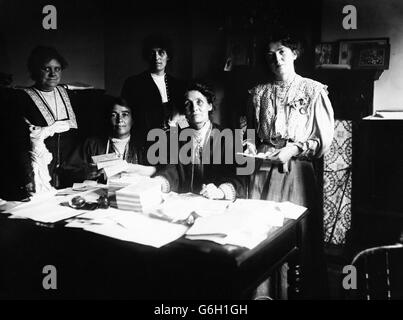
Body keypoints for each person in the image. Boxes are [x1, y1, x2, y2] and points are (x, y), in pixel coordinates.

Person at [244, 32, 334, 298]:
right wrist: (249, 145)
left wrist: (293, 149)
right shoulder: (258, 93)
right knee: (263, 237)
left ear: (294, 53)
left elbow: (322, 139)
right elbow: (249, 132)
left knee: (296, 237)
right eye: (271, 54)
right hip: (262, 171)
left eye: (282, 51)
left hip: (296, 171)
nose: (277, 58)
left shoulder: (313, 90)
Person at [154, 82, 244, 200]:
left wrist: (220, 191)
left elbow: (239, 177)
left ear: (210, 106)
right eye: (188, 104)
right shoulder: (178, 138)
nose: (194, 108)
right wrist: (159, 183)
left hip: (217, 202)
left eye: (199, 102)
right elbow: (172, 170)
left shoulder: (228, 137)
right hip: (185, 202)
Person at [14, 46, 80, 192]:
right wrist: (28, 177)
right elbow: (19, 143)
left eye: (57, 69)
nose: (53, 74)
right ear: (35, 70)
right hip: (40, 169)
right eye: (46, 69)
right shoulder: (22, 97)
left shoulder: (69, 94)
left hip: (70, 170)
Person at [62, 97, 155, 184]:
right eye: (114, 115)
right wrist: (86, 172)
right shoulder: (92, 144)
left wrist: (131, 168)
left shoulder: (143, 145)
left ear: (133, 119)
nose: (119, 120)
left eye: (125, 114)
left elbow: (158, 170)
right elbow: (67, 171)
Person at [121, 34, 186, 145]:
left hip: (175, 140)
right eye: (152, 53)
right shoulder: (134, 83)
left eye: (161, 52)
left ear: (168, 56)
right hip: (146, 141)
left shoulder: (178, 85)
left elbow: (183, 117)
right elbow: (126, 115)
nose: (157, 57)